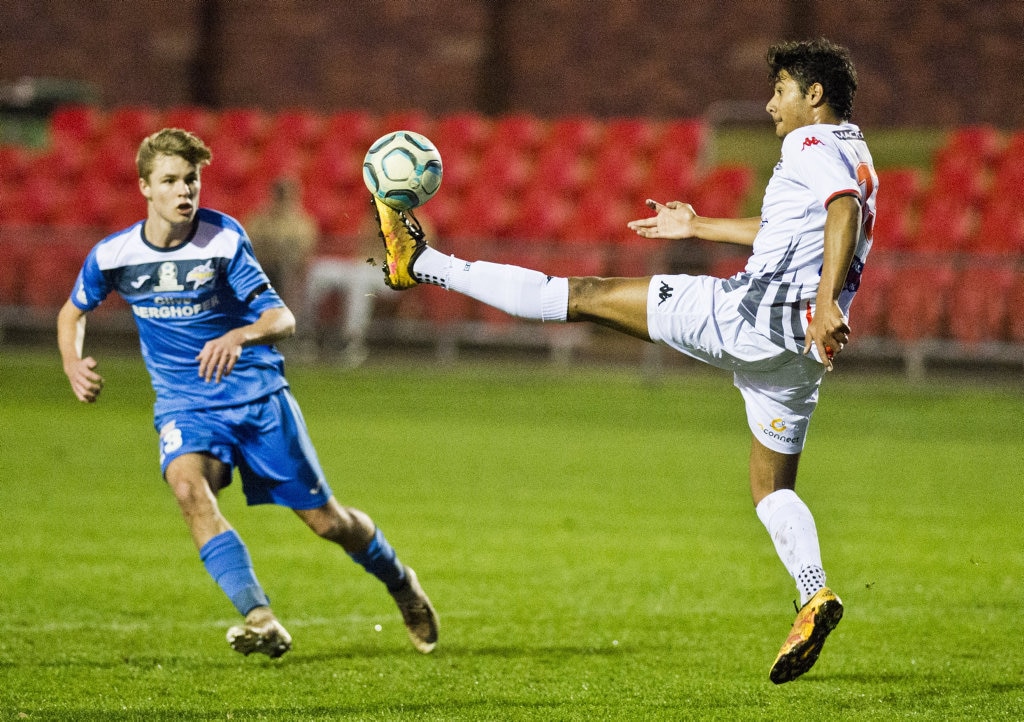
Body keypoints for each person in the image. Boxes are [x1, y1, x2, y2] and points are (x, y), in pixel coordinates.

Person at [373, 38, 873, 684]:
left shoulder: (808, 144)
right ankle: (813, 594)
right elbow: (797, 223)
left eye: (780, 91)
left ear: (814, 96)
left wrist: (829, 299)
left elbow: (841, 211)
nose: (770, 104)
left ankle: (421, 263)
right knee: (771, 488)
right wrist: (698, 228)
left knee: (581, 297)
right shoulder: (856, 153)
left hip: (747, 317)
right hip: (799, 352)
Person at [56, 128, 438, 659]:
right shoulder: (113, 255)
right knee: (190, 491)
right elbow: (73, 311)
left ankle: (400, 581)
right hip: (185, 406)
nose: (184, 190)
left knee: (328, 522)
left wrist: (238, 334)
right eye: (170, 180)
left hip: (258, 400)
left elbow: (282, 317)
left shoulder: (223, 239)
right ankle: (261, 618)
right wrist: (73, 362)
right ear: (145, 187)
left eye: (191, 179)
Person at [244, 177, 318, 316]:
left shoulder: (302, 222)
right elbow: (249, 243)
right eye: (279, 195)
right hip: (263, 265)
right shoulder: (259, 219)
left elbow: (304, 248)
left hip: (289, 269)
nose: (282, 200)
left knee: (284, 273)